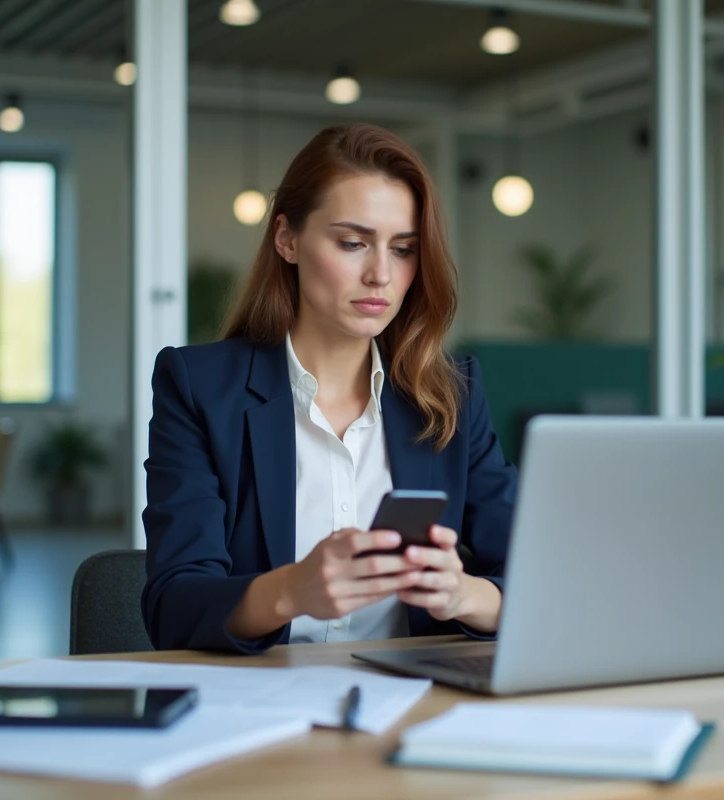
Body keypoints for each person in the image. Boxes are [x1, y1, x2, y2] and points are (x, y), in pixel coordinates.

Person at [141, 123, 516, 654]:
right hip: (258, 695)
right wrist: (292, 591)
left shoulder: (451, 397)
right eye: (353, 243)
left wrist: (465, 595)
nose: (380, 274)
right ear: (287, 239)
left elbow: (538, 580)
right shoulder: (198, 388)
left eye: (403, 249)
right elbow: (173, 608)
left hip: (416, 694)